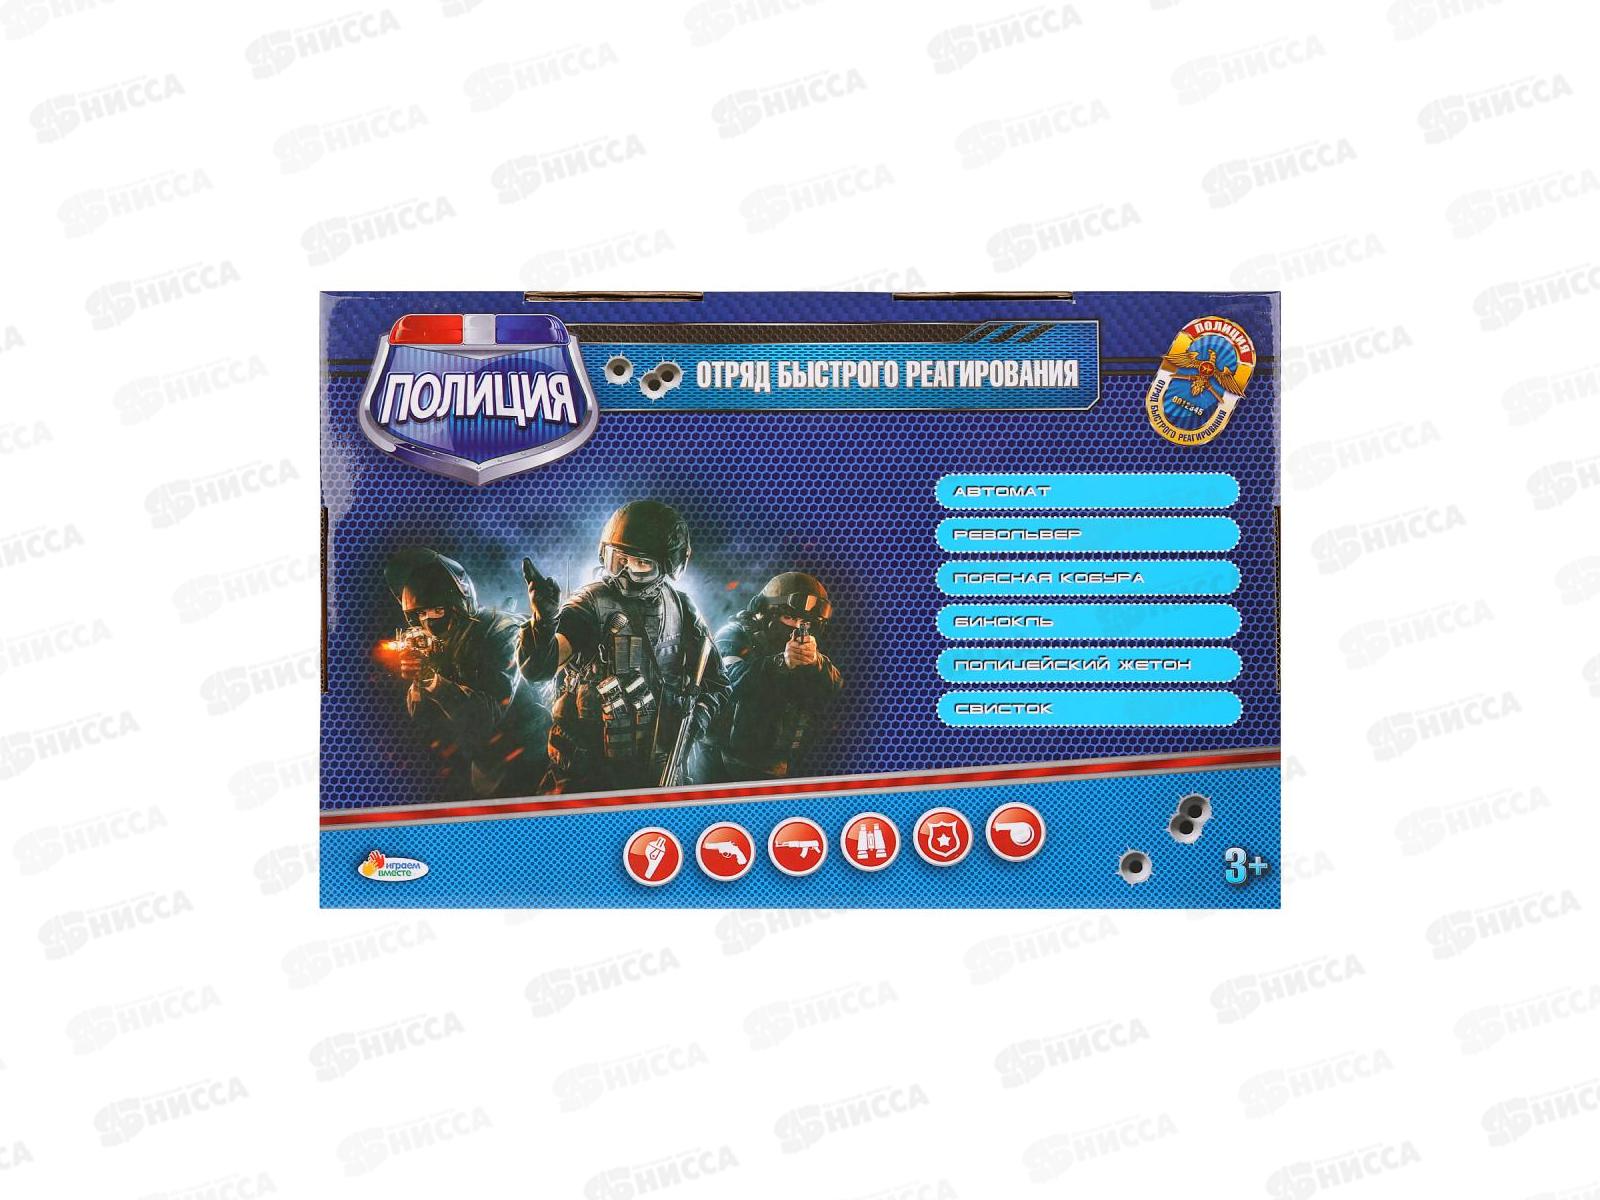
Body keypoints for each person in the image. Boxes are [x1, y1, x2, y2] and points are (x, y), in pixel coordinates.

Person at [518, 501, 731, 793]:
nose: (625, 573)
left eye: (641, 563)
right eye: (618, 559)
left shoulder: (682, 608)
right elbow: (538, 668)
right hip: (587, 779)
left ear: (667, 565)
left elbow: (717, 683)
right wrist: (544, 623)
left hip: (658, 770)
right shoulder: (589, 604)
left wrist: (694, 721)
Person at [384, 548, 549, 799]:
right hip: (484, 764)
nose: (428, 620)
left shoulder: (502, 632)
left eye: (437, 610)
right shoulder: (436, 642)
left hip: (529, 758)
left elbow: (487, 715)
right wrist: (421, 679)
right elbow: (421, 716)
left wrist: (432, 679)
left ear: (457, 604)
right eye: (421, 613)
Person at [694, 571, 843, 782]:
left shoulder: (804, 649)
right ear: (767, 613)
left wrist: (815, 661)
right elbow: (727, 682)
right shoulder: (734, 634)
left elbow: (836, 688)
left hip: (774, 766)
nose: (796, 627)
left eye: (804, 622)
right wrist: (781, 662)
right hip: (720, 762)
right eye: (789, 617)